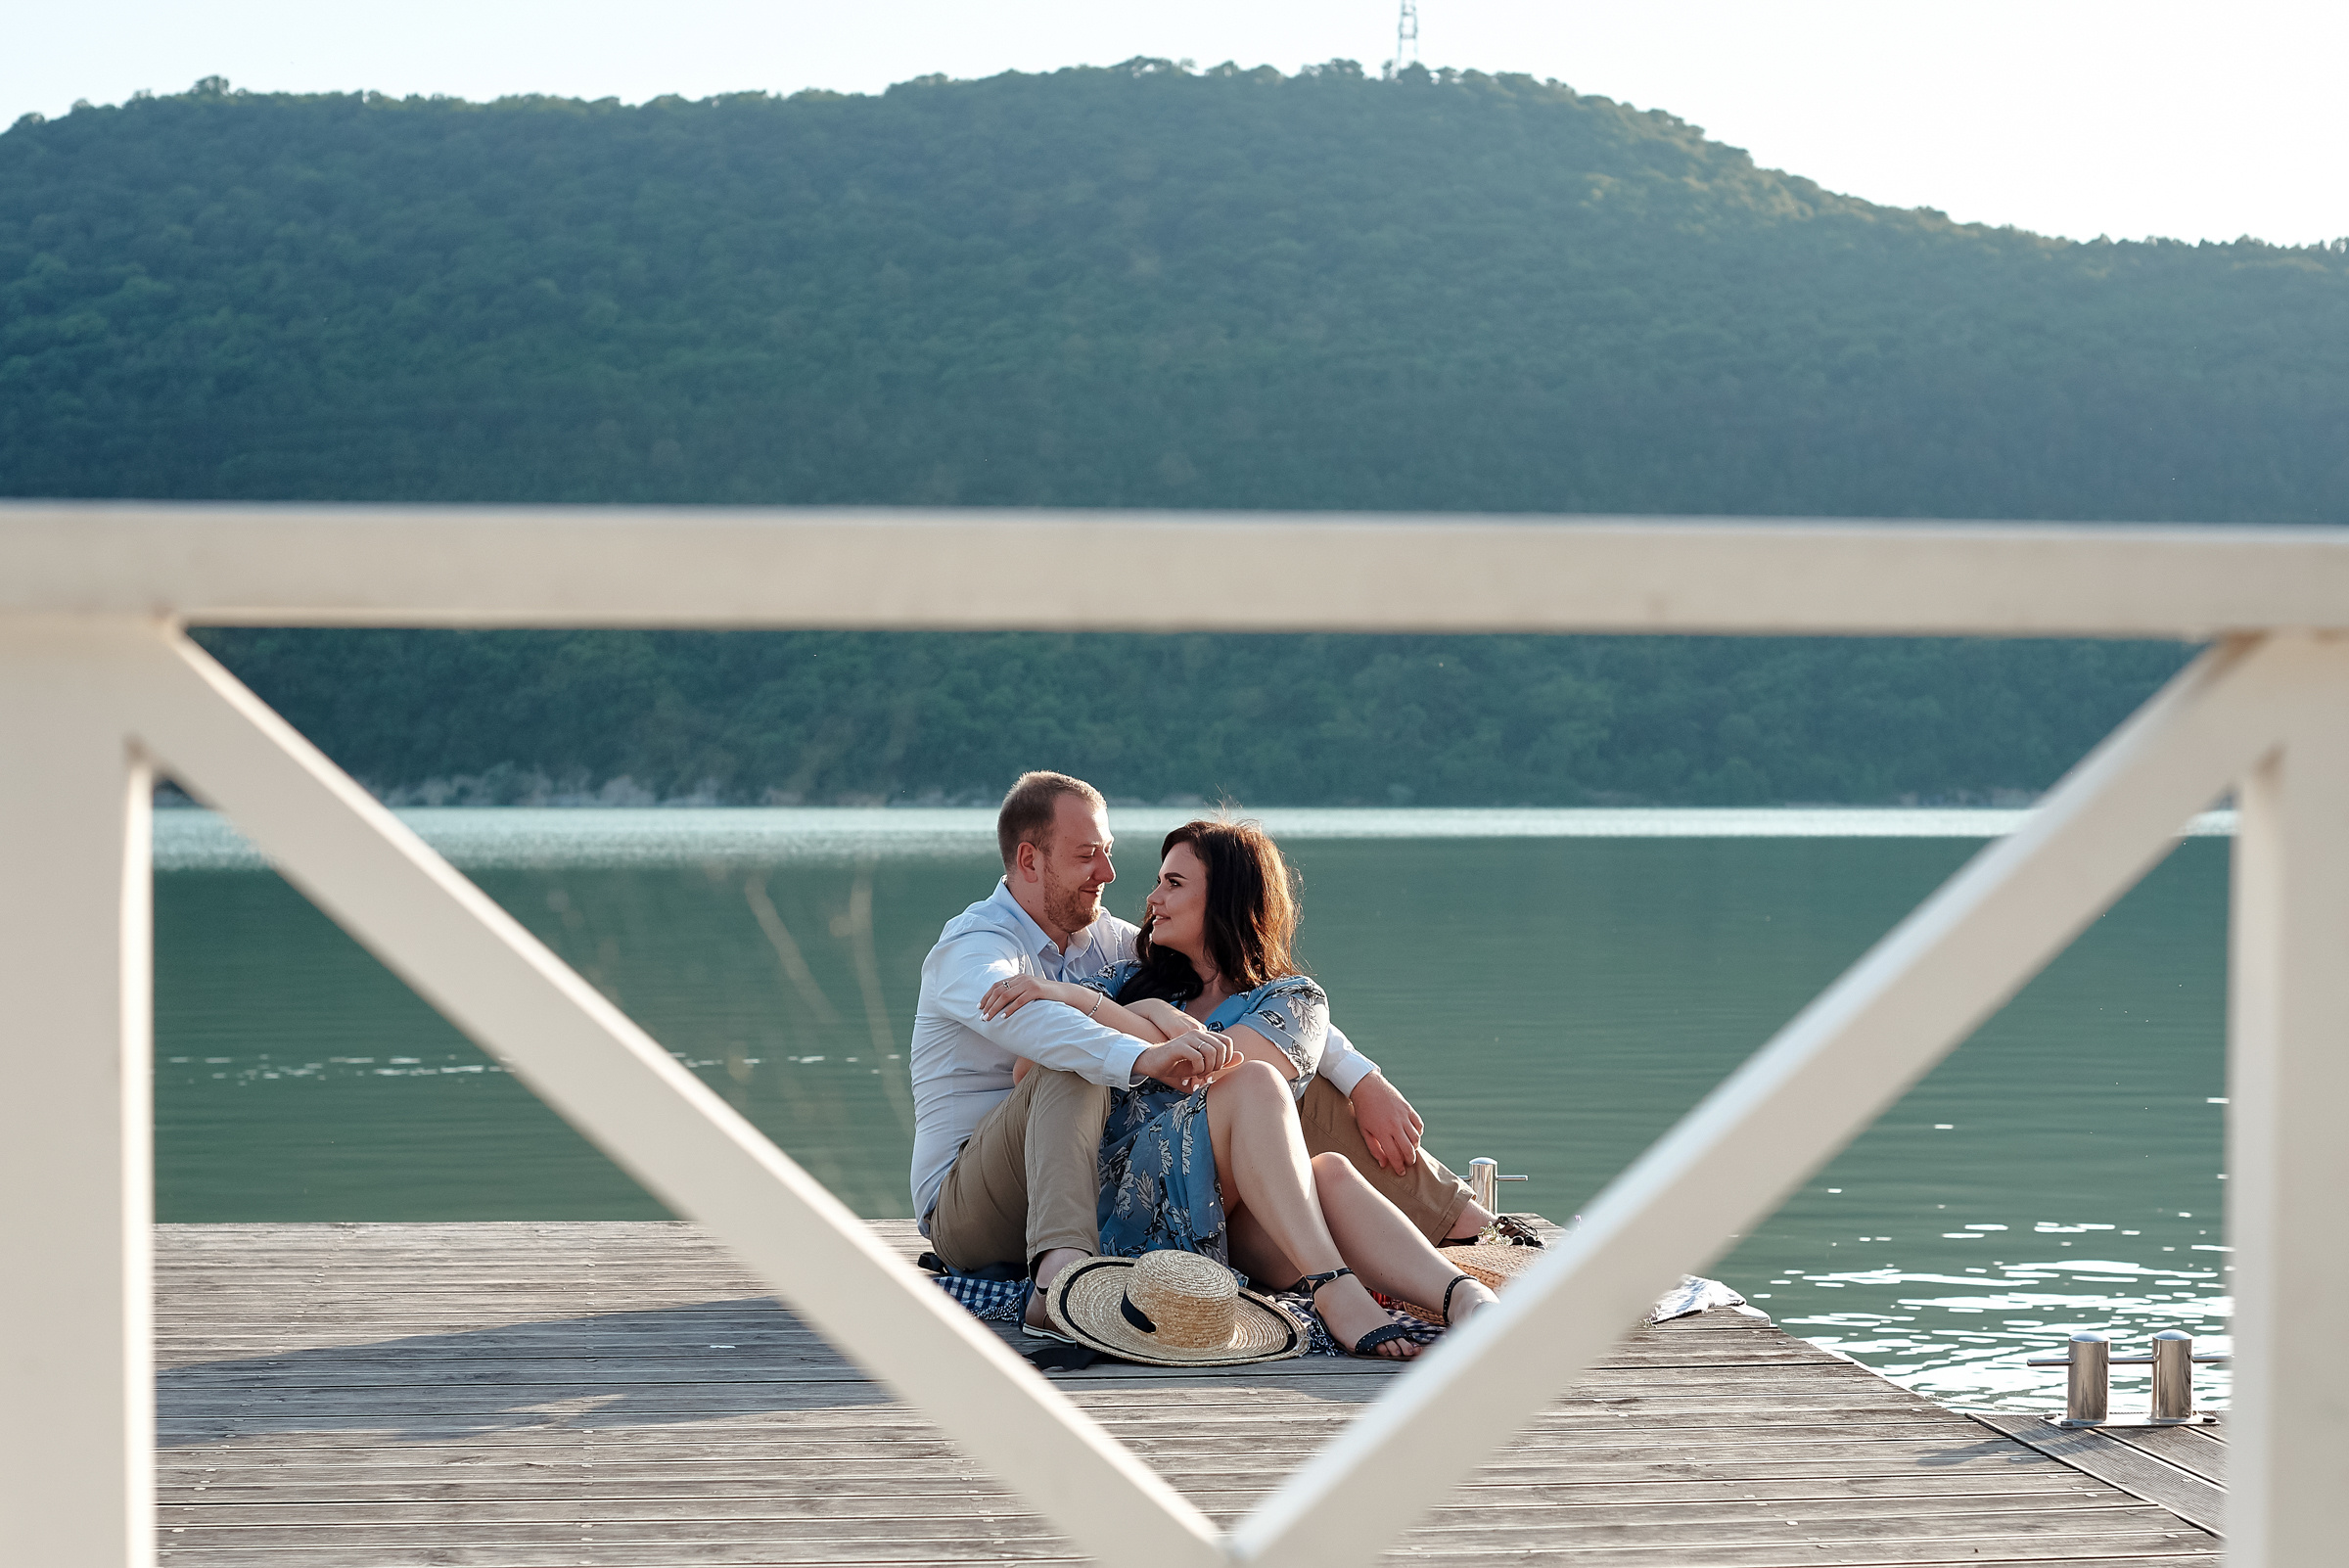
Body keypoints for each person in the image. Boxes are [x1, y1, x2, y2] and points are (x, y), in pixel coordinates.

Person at [908, 772, 1516, 1337]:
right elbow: (1040, 1042)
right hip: (983, 1197)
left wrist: (1363, 1078)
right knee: (1095, 1061)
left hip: (1159, 1179)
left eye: (1117, 854)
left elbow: (1287, 1015)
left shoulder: (1115, 949)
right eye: (1087, 854)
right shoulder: (976, 948)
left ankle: (1461, 1287)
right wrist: (1144, 1042)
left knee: (1320, 1155)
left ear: (1223, 902)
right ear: (1029, 860)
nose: (1118, 879)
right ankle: (1068, 1274)